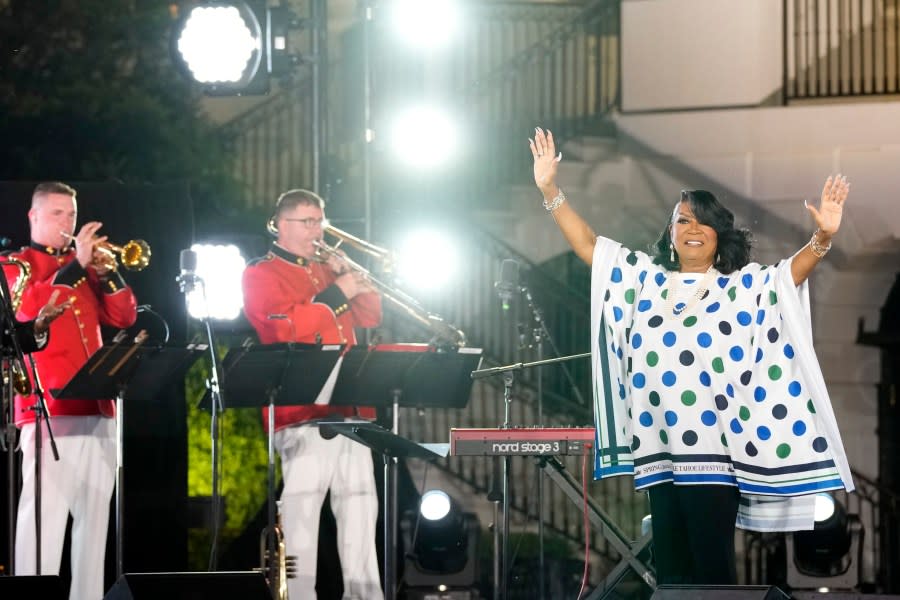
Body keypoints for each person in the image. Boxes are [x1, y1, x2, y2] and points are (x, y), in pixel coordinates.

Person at [529, 128, 854, 585]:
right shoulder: (644, 279)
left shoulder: (738, 286)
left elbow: (787, 277)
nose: (693, 229)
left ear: (719, 236)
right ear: (670, 233)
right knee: (673, 577)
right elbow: (588, 245)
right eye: (682, 220)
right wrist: (550, 190)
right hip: (659, 452)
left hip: (712, 457)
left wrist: (823, 236)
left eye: (702, 221)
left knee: (711, 572)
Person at [242, 188, 384, 599]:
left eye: (320, 220)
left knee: (360, 513)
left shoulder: (327, 269)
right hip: (302, 410)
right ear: (280, 225)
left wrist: (352, 279)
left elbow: (371, 315)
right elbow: (282, 328)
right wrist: (338, 293)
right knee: (301, 516)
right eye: (307, 222)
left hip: (351, 408)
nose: (317, 230)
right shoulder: (261, 273)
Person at [3, 181, 137, 600]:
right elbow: (27, 311)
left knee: (95, 527)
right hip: (49, 408)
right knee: (43, 523)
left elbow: (124, 316)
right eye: (58, 214)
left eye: (72, 215)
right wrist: (76, 267)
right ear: (34, 217)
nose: (68, 223)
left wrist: (108, 271)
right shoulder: (17, 263)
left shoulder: (86, 269)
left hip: (97, 408)